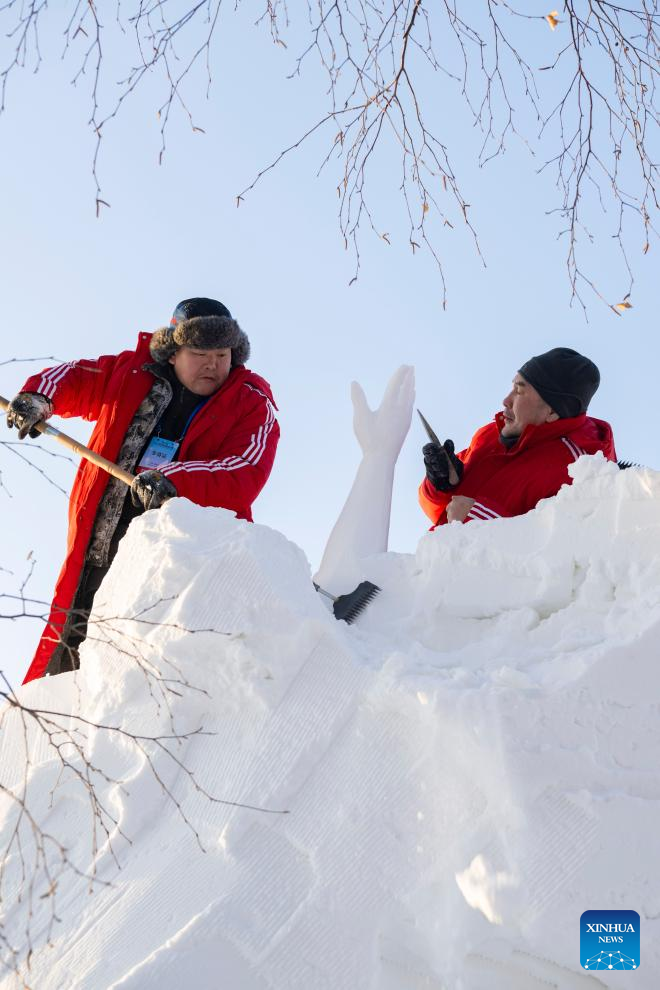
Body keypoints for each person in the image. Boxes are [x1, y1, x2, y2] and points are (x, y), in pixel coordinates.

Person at [7, 297, 279, 683]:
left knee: (137, 676)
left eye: (223, 354)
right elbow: (75, 376)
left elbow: (243, 470)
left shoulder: (251, 402)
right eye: (200, 353)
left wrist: (176, 481)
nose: (214, 365)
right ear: (172, 353)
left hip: (176, 570)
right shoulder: (130, 372)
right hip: (97, 553)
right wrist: (39, 397)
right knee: (62, 669)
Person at [419, 347, 616, 527]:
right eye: (512, 387)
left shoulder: (579, 470)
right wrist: (439, 485)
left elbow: (569, 552)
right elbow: (444, 512)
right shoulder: (489, 435)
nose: (506, 400)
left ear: (552, 412)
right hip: (432, 561)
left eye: (519, 391)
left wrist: (480, 521)